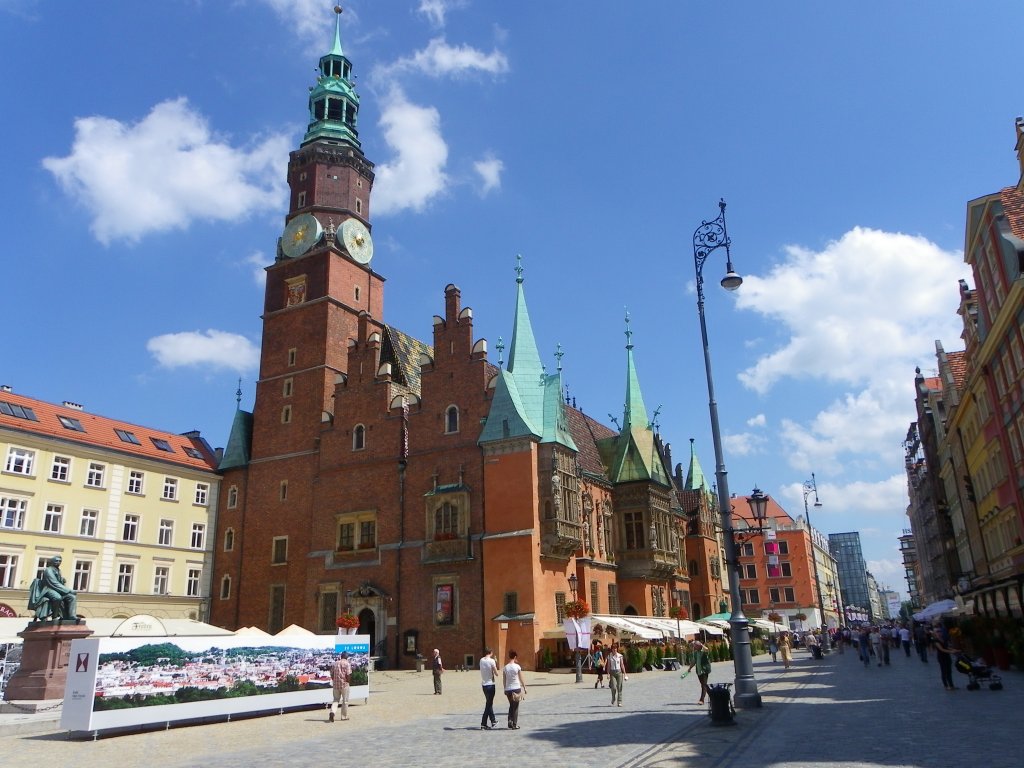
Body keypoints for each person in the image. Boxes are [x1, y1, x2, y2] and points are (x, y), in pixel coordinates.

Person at [27, 555, 78, 620]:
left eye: (60, 561)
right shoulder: (48, 570)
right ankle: (55, 616)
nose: (58, 562)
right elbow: (53, 583)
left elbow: (58, 582)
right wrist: (69, 590)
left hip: (57, 590)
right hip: (48, 589)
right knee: (57, 597)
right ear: (52, 561)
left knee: (72, 597)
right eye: (56, 561)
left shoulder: (58, 570)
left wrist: (62, 580)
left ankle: (71, 616)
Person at [502, 649, 526, 729]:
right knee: (515, 707)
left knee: (511, 705)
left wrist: (505, 688)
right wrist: (524, 686)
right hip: (516, 688)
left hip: (508, 689)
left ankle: (510, 720)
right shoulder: (517, 667)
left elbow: (504, 679)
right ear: (515, 657)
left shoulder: (505, 667)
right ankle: (514, 724)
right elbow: (521, 677)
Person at [933, 623, 959, 691]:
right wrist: (951, 652)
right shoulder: (936, 641)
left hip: (947, 657)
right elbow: (942, 649)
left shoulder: (943, 639)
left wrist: (954, 649)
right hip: (941, 658)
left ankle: (951, 685)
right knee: (944, 672)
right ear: (935, 633)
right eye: (937, 632)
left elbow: (947, 647)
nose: (939, 633)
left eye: (940, 631)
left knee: (949, 671)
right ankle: (946, 686)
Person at [686, 640, 712, 705]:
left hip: (704, 670)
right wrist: (689, 668)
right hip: (699, 670)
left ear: (699, 646)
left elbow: (707, 649)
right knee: (704, 684)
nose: (694, 647)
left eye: (695, 646)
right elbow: (694, 661)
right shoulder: (695, 653)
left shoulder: (704, 652)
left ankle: (702, 700)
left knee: (703, 685)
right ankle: (712, 695)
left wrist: (701, 644)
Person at [479, 647, 498, 729]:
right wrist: (495, 663)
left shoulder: (481, 660)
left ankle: (493, 721)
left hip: (484, 684)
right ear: (491, 652)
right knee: (488, 704)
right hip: (490, 684)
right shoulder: (492, 661)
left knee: (489, 703)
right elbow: (496, 673)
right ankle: (483, 723)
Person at [329, 651, 352, 722]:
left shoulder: (335, 663)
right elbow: (348, 674)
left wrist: (334, 680)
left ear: (341, 656)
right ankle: (343, 716)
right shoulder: (347, 664)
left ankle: (332, 712)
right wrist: (348, 682)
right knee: (345, 701)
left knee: (335, 700)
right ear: (346, 657)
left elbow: (331, 674)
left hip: (336, 685)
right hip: (344, 684)